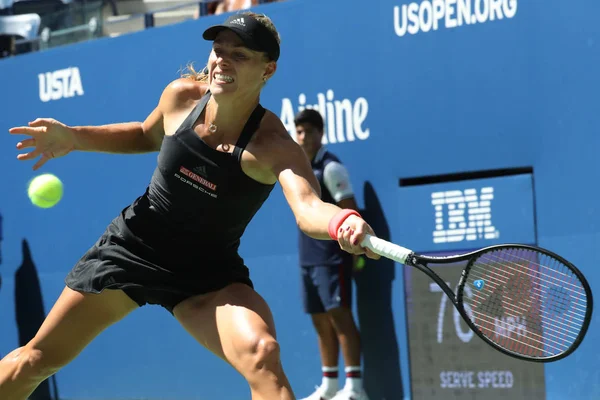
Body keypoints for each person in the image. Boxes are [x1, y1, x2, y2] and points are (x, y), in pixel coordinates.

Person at [0, 11, 379, 400]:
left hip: (207, 276)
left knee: (263, 354)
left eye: (240, 55)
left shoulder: (274, 146)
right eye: (218, 50)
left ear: (268, 69)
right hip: (132, 249)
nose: (222, 61)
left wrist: (344, 221)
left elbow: (308, 207)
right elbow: (145, 135)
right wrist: (74, 137)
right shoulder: (181, 96)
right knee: (34, 362)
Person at [294, 109, 369, 400]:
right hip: (308, 257)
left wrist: (355, 255)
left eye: (309, 132)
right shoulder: (299, 167)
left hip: (332, 257)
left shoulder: (331, 167)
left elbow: (350, 212)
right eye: (299, 132)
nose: (303, 137)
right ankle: (329, 385)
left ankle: (355, 387)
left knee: (340, 317)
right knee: (318, 319)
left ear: (320, 134)